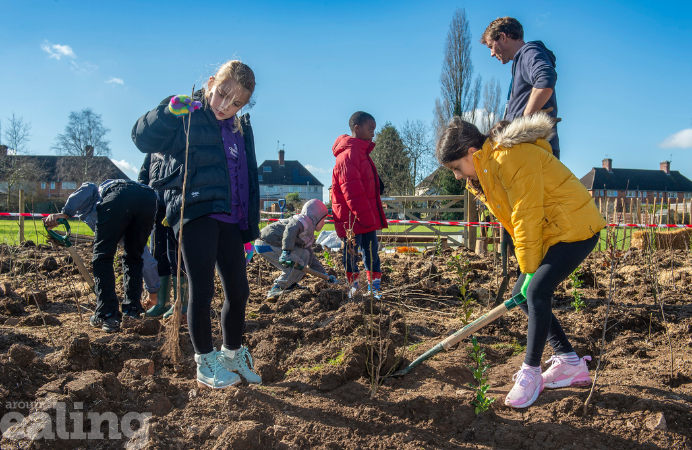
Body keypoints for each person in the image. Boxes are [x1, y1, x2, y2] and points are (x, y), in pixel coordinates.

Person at [435, 113, 605, 408]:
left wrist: (529, 270)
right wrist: (527, 269)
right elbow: (517, 222)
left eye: (456, 168)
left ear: (472, 153)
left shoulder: (510, 159)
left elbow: (526, 217)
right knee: (522, 295)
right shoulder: (488, 170)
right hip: (556, 231)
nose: (457, 176)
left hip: (575, 227)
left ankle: (531, 373)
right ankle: (569, 362)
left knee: (537, 292)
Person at [132, 60, 261, 390]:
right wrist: (168, 111)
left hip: (231, 219)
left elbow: (245, 178)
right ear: (210, 84)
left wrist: (248, 225)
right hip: (195, 213)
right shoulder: (186, 116)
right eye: (222, 95)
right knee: (201, 291)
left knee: (239, 291)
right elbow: (142, 137)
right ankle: (206, 363)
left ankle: (232, 354)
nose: (225, 107)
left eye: (236, 103)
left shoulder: (239, 129)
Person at [43, 180, 159, 333]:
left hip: (118, 194)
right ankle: (132, 313)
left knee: (102, 257)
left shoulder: (100, 197)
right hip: (149, 198)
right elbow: (147, 260)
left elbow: (88, 187)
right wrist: (153, 293)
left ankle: (108, 315)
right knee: (134, 257)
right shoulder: (125, 222)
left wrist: (65, 213)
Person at [480, 16, 561, 160]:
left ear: (503, 37)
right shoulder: (521, 60)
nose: (492, 53)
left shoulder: (529, 52)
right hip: (530, 148)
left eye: (491, 46)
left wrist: (524, 120)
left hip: (535, 148)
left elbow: (546, 79)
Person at [331, 111, 388, 297]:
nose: (373, 134)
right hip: (353, 219)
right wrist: (368, 217)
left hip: (364, 216)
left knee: (372, 254)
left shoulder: (360, 153)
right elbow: (352, 192)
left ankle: (374, 289)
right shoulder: (348, 156)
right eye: (370, 129)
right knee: (351, 255)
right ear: (357, 128)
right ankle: (354, 290)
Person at [138, 153, 188, 319]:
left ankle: (182, 302)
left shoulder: (175, 142)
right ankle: (162, 302)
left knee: (175, 255)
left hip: (174, 206)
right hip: (155, 208)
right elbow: (144, 176)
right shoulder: (151, 152)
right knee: (158, 254)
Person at [255, 199, 337, 300]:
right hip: (266, 243)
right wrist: (286, 251)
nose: (324, 223)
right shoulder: (302, 221)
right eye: (323, 219)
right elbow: (290, 230)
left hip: (276, 245)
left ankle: (290, 284)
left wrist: (325, 275)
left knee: (305, 254)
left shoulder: (308, 234)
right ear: (317, 216)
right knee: (295, 263)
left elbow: (311, 258)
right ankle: (278, 287)